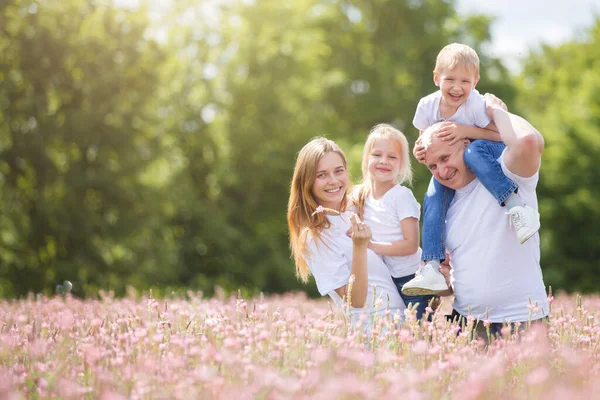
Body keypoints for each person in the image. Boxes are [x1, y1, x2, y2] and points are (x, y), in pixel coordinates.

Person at [402, 43, 541, 296]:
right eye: (450, 79)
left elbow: (499, 135)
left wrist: (465, 131)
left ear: (476, 82)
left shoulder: (476, 105)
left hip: (487, 151)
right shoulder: (427, 106)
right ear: (436, 78)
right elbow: (422, 140)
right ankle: (432, 265)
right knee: (433, 195)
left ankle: (516, 206)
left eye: (465, 81)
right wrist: (418, 152)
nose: (457, 88)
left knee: (473, 151)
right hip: (458, 160)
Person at [419, 93, 549, 336]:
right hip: (467, 324)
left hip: (524, 321)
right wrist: (444, 282)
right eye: (433, 166)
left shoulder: (506, 172)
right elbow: (452, 283)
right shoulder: (443, 204)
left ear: (466, 144)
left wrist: (496, 111)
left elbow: (529, 141)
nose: (442, 171)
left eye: (445, 158)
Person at [287, 137, 406, 325]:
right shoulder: (315, 237)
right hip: (375, 331)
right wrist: (359, 247)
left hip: (405, 322)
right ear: (307, 181)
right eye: (322, 175)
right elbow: (355, 301)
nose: (333, 181)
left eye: (338, 171)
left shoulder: (356, 207)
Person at [351, 124, 433, 320]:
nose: (384, 161)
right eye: (377, 155)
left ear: (402, 165)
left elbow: (411, 245)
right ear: (366, 159)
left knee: (420, 331)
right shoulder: (359, 195)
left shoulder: (401, 196)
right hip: (384, 279)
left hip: (412, 278)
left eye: (392, 157)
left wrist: (370, 246)